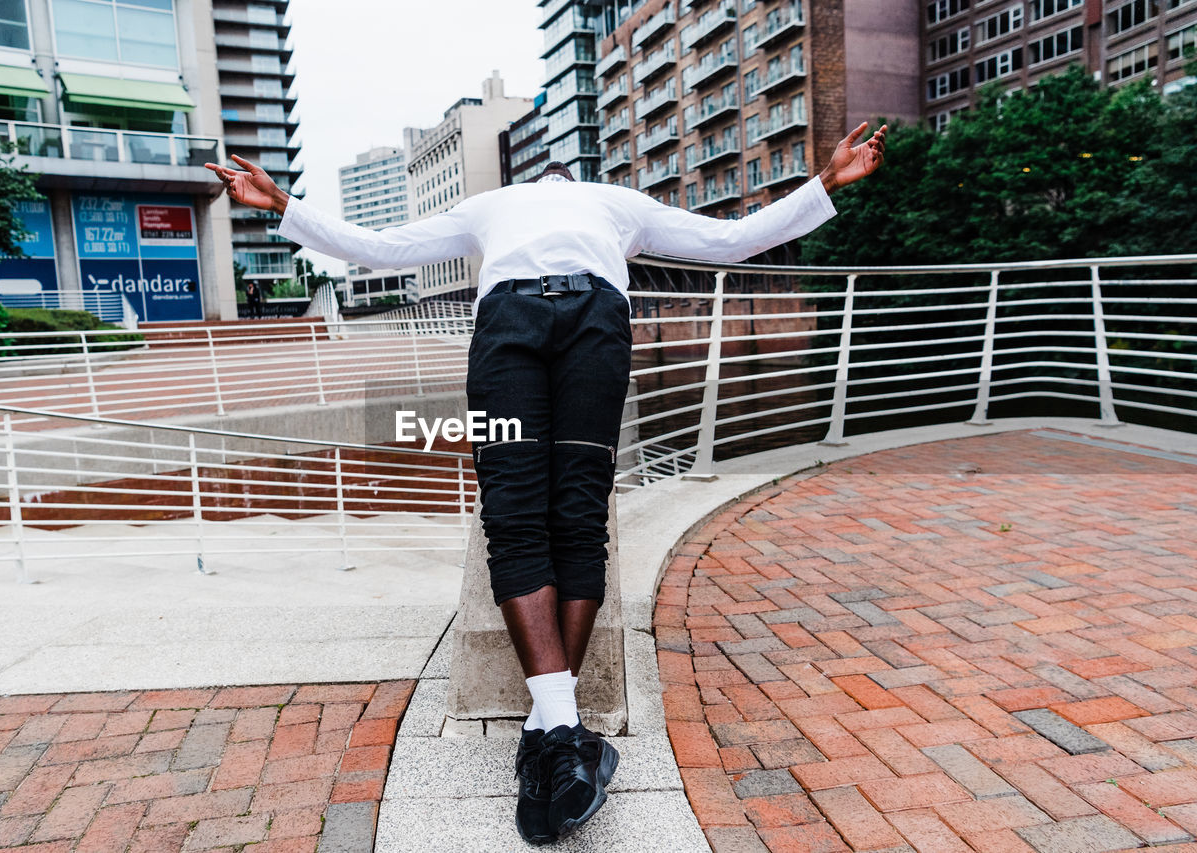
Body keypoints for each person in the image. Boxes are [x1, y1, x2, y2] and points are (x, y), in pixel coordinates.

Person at [205, 121, 885, 844]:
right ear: (549, 180)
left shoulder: (598, 202)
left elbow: (723, 242)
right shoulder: (520, 202)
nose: (555, 184)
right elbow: (391, 246)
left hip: (567, 319)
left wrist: (826, 182)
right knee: (526, 510)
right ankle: (562, 729)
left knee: (564, 510)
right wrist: (284, 207)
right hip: (539, 323)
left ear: (559, 178)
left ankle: (551, 729)